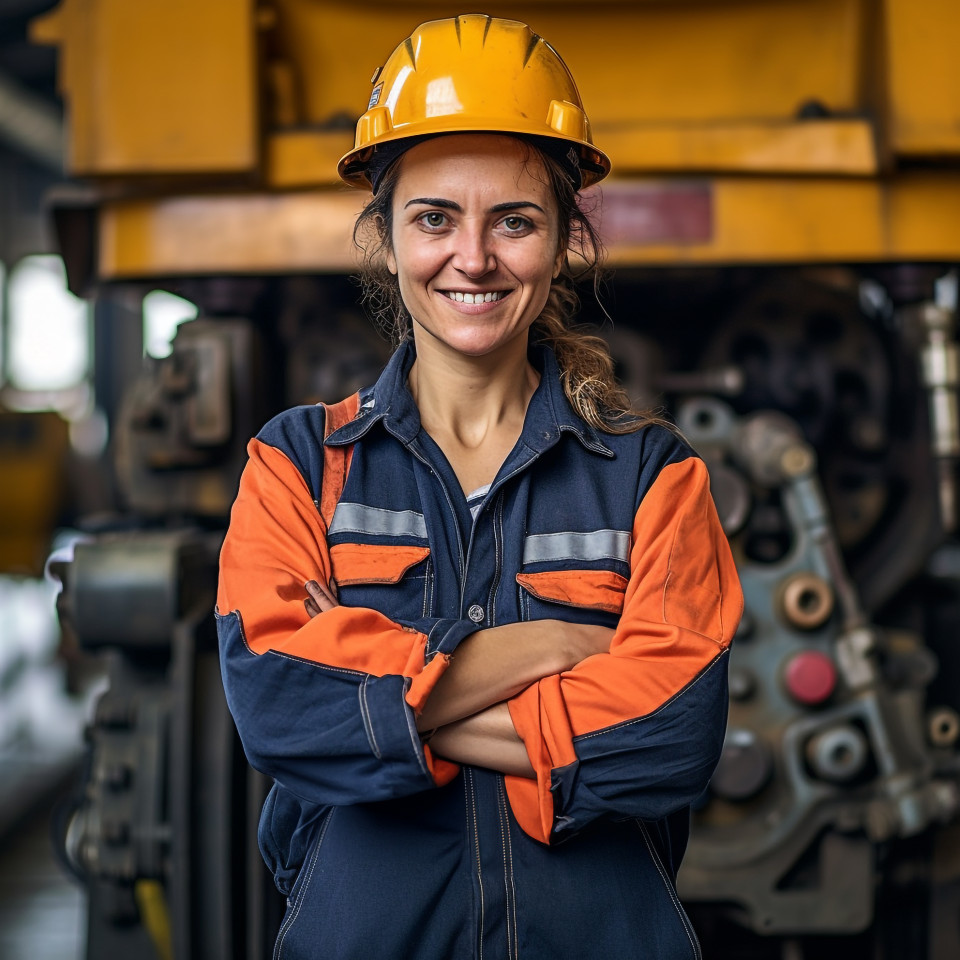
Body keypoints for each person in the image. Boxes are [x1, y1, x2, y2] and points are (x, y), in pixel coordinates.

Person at [217, 14, 742, 960]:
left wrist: (389, 708)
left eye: (515, 219)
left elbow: (674, 733)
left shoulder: (652, 476)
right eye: (433, 218)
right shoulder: (296, 463)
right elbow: (282, 710)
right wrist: (553, 645)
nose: (474, 258)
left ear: (564, 240)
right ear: (383, 237)